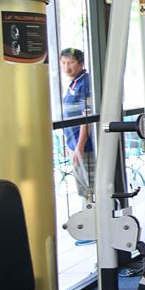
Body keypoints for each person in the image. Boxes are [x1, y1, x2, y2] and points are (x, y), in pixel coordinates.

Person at [60, 48, 95, 202]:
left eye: (71, 63)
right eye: (63, 63)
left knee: (89, 189)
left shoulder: (85, 82)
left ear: (81, 63)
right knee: (83, 189)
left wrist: (79, 147)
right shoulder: (74, 83)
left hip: (84, 148)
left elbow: (86, 116)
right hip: (73, 145)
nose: (66, 67)